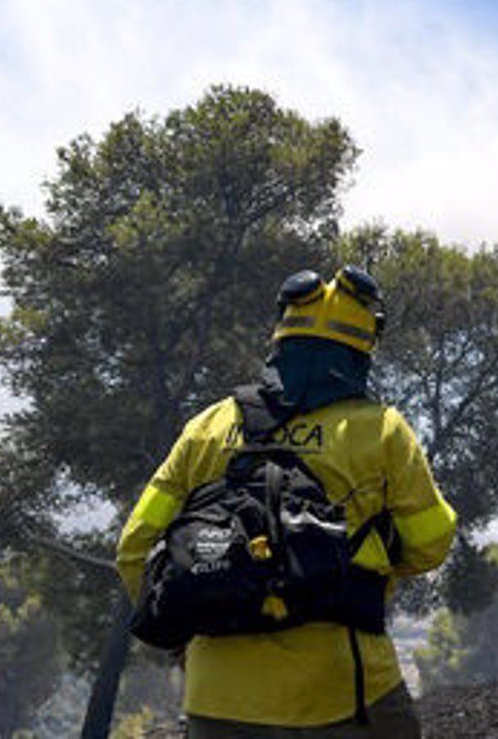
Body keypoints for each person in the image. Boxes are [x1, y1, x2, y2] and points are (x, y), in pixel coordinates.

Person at [117, 267, 456, 737]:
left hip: (217, 699)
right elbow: (432, 542)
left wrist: (185, 636)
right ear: (363, 349)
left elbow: (134, 547)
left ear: (281, 339)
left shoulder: (208, 426)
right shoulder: (382, 432)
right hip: (343, 689)